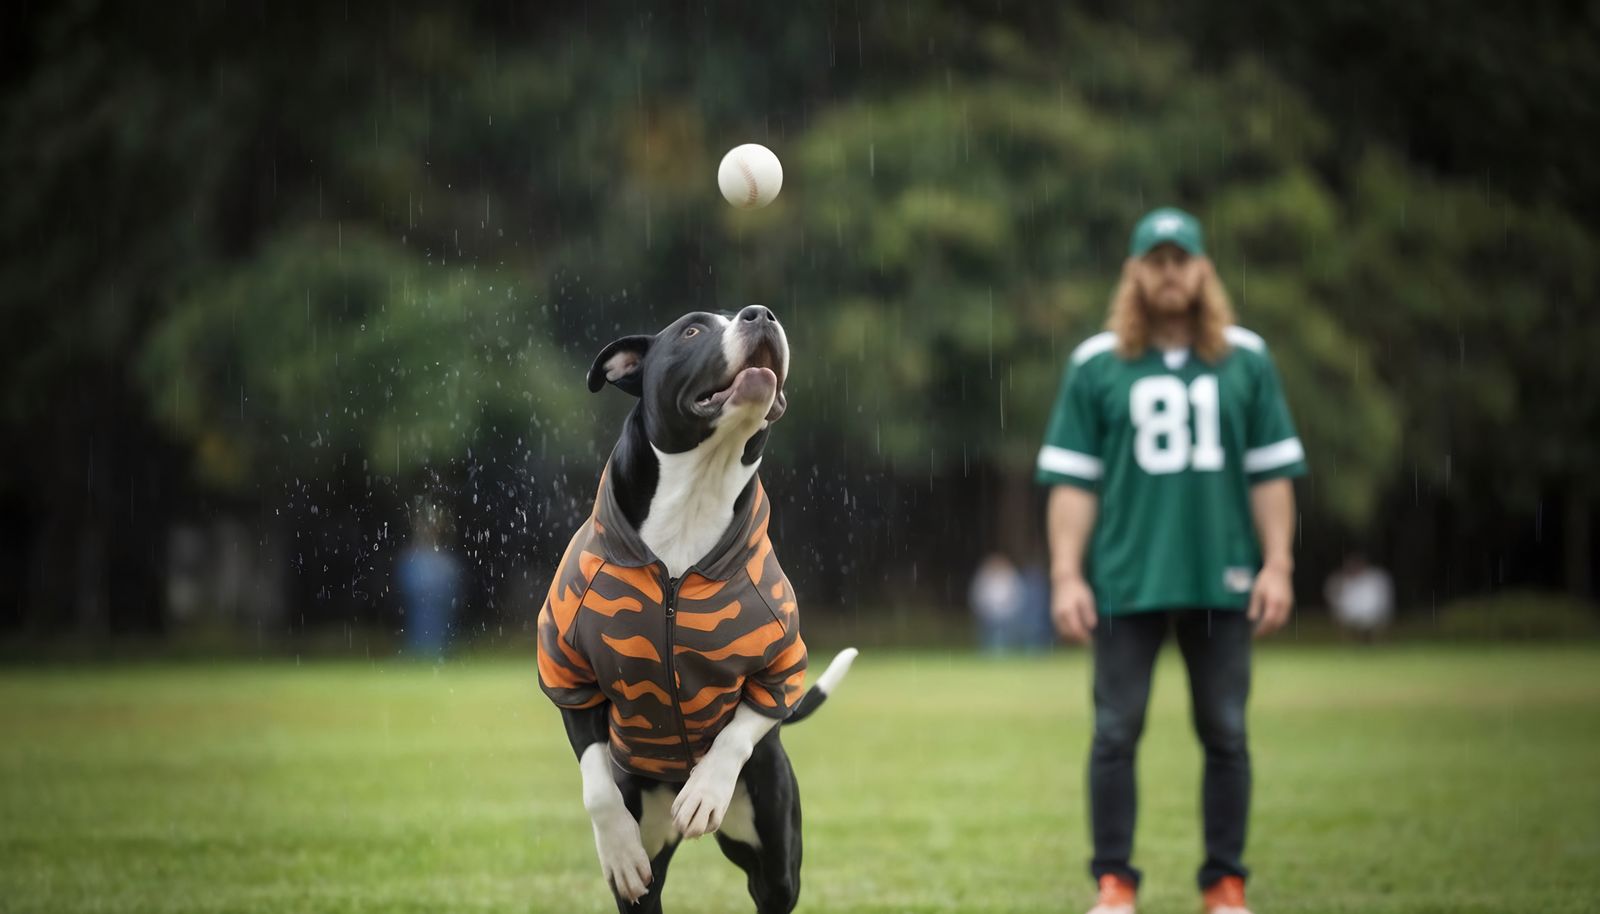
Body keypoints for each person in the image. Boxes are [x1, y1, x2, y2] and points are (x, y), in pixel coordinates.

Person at [1036, 207, 1308, 914]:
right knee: (1115, 734)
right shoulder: (1098, 364)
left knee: (1226, 732)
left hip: (1223, 577)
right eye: (1154, 261)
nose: (1168, 272)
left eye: (1179, 259)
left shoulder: (1246, 358)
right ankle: (1115, 882)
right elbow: (1073, 480)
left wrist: (1277, 563)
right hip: (1128, 578)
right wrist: (1067, 574)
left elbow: (1270, 473)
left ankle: (1224, 882)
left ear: (1202, 270)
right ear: (1134, 273)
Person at [394, 504, 463, 659]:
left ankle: (438, 653)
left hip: (438, 612)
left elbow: (451, 587)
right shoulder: (412, 558)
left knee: (438, 637)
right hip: (418, 612)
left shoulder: (444, 560)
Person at [1325, 552, 1394, 642]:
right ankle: (1352, 641)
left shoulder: (1376, 577)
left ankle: (1373, 640)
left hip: (1373, 614)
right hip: (1350, 614)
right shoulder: (1341, 580)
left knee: (1370, 622)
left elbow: (1382, 599)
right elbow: (1333, 597)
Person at [970, 551, 1026, 653]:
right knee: (990, 635)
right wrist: (985, 611)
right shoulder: (984, 577)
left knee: (1007, 635)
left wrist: (1009, 611)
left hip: (1007, 615)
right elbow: (978, 596)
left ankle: (1005, 651)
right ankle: (990, 652)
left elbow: (1017, 596)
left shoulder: (1010, 576)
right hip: (989, 615)